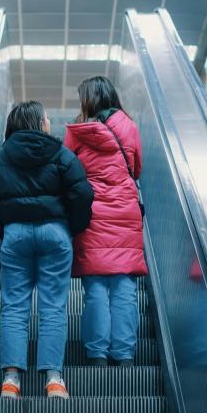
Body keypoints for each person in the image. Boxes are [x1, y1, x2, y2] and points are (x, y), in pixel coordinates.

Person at [0, 101, 93, 399]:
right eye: (47, 117)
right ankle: (54, 380)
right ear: (39, 123)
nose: (50, 121)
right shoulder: (61, 155)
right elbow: (82, 194)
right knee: (53, 306)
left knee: (14, 306)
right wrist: (71, 228)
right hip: (55, 233)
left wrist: (2, 231)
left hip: (15, 235)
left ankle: (11, 381)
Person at [64, 76, 148, 366]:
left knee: (96, 287)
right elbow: (135, 169)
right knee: (124, 285)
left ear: (88, 99)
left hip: (93, 212)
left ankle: (97, 353)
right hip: (125, 210)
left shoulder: (77, 131)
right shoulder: (130, 125)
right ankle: (124, 354)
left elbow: (68, 173)